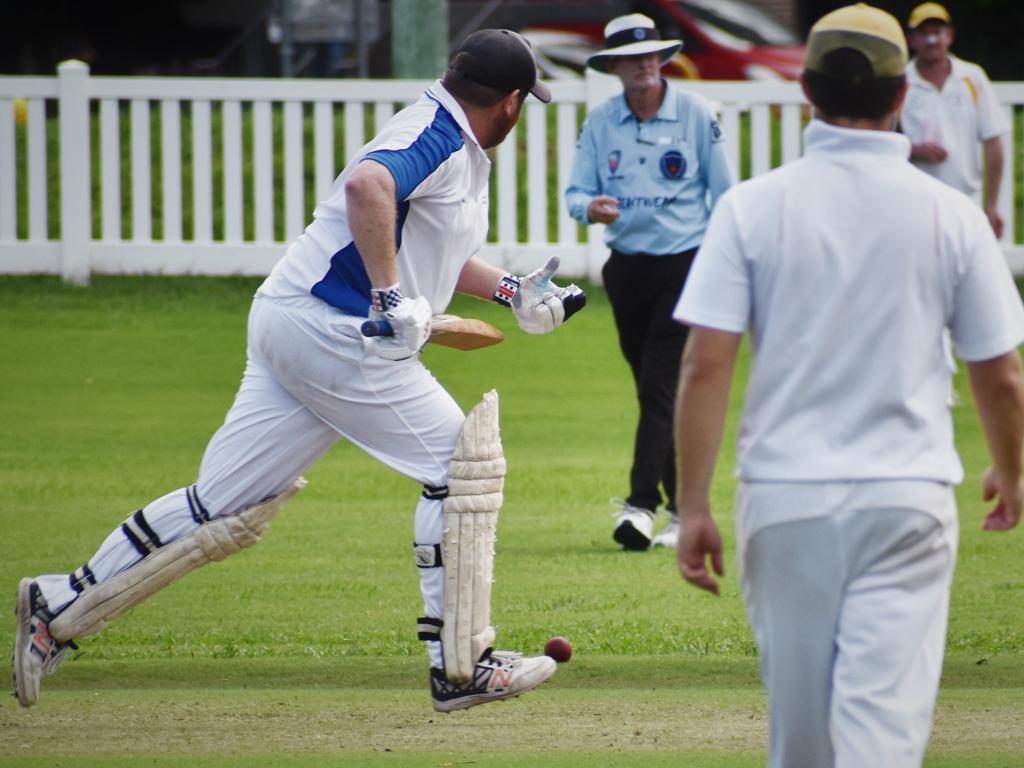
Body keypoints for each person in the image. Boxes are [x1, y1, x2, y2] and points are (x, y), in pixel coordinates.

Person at [12, 29, 586, 713]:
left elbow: (421, 243)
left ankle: (56, 607)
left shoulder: (443, 135)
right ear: (514, 102)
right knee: (463, 465)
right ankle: (462, 665)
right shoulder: (438, 134)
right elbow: (367, 187)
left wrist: (513, 290)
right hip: (337, 331)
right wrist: (390, 297)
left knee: (221, 509)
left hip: (293, 316)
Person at [672, 5, 1024, 767]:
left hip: (785, 497)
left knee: (802, 740)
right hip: (907, 497)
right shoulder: (951, 215)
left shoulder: (751, 207)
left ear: (807, 91)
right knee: (879, 737)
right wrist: (1012, 469)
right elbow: (999, 372)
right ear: (902, 95)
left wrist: (693, 504)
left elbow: (706, 363)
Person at [564, 13, 733, 551]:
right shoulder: (600, 122)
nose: (643, 66)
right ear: (613, 66)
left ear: (662, 59)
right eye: (632, 59)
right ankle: (684, 512)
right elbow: (574, 195)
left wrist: (722, 265)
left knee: (660, 384)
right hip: (627, 269)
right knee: (654, 389)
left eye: (651, 55)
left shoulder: (696, 114)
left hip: (685, 263)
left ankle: (640, 507)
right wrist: (591, 207)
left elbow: (724, 195)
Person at [900, 2, 1009, 238]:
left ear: (949, 36)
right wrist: (913, 149)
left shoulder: (972, 77)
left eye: (937, 33)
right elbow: (884, 140)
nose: (931, 41)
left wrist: (991, 205)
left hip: (965, 201)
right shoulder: (901, 82)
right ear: (911, 40)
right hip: (916, 203)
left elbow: (993, 141)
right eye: (924, 33)